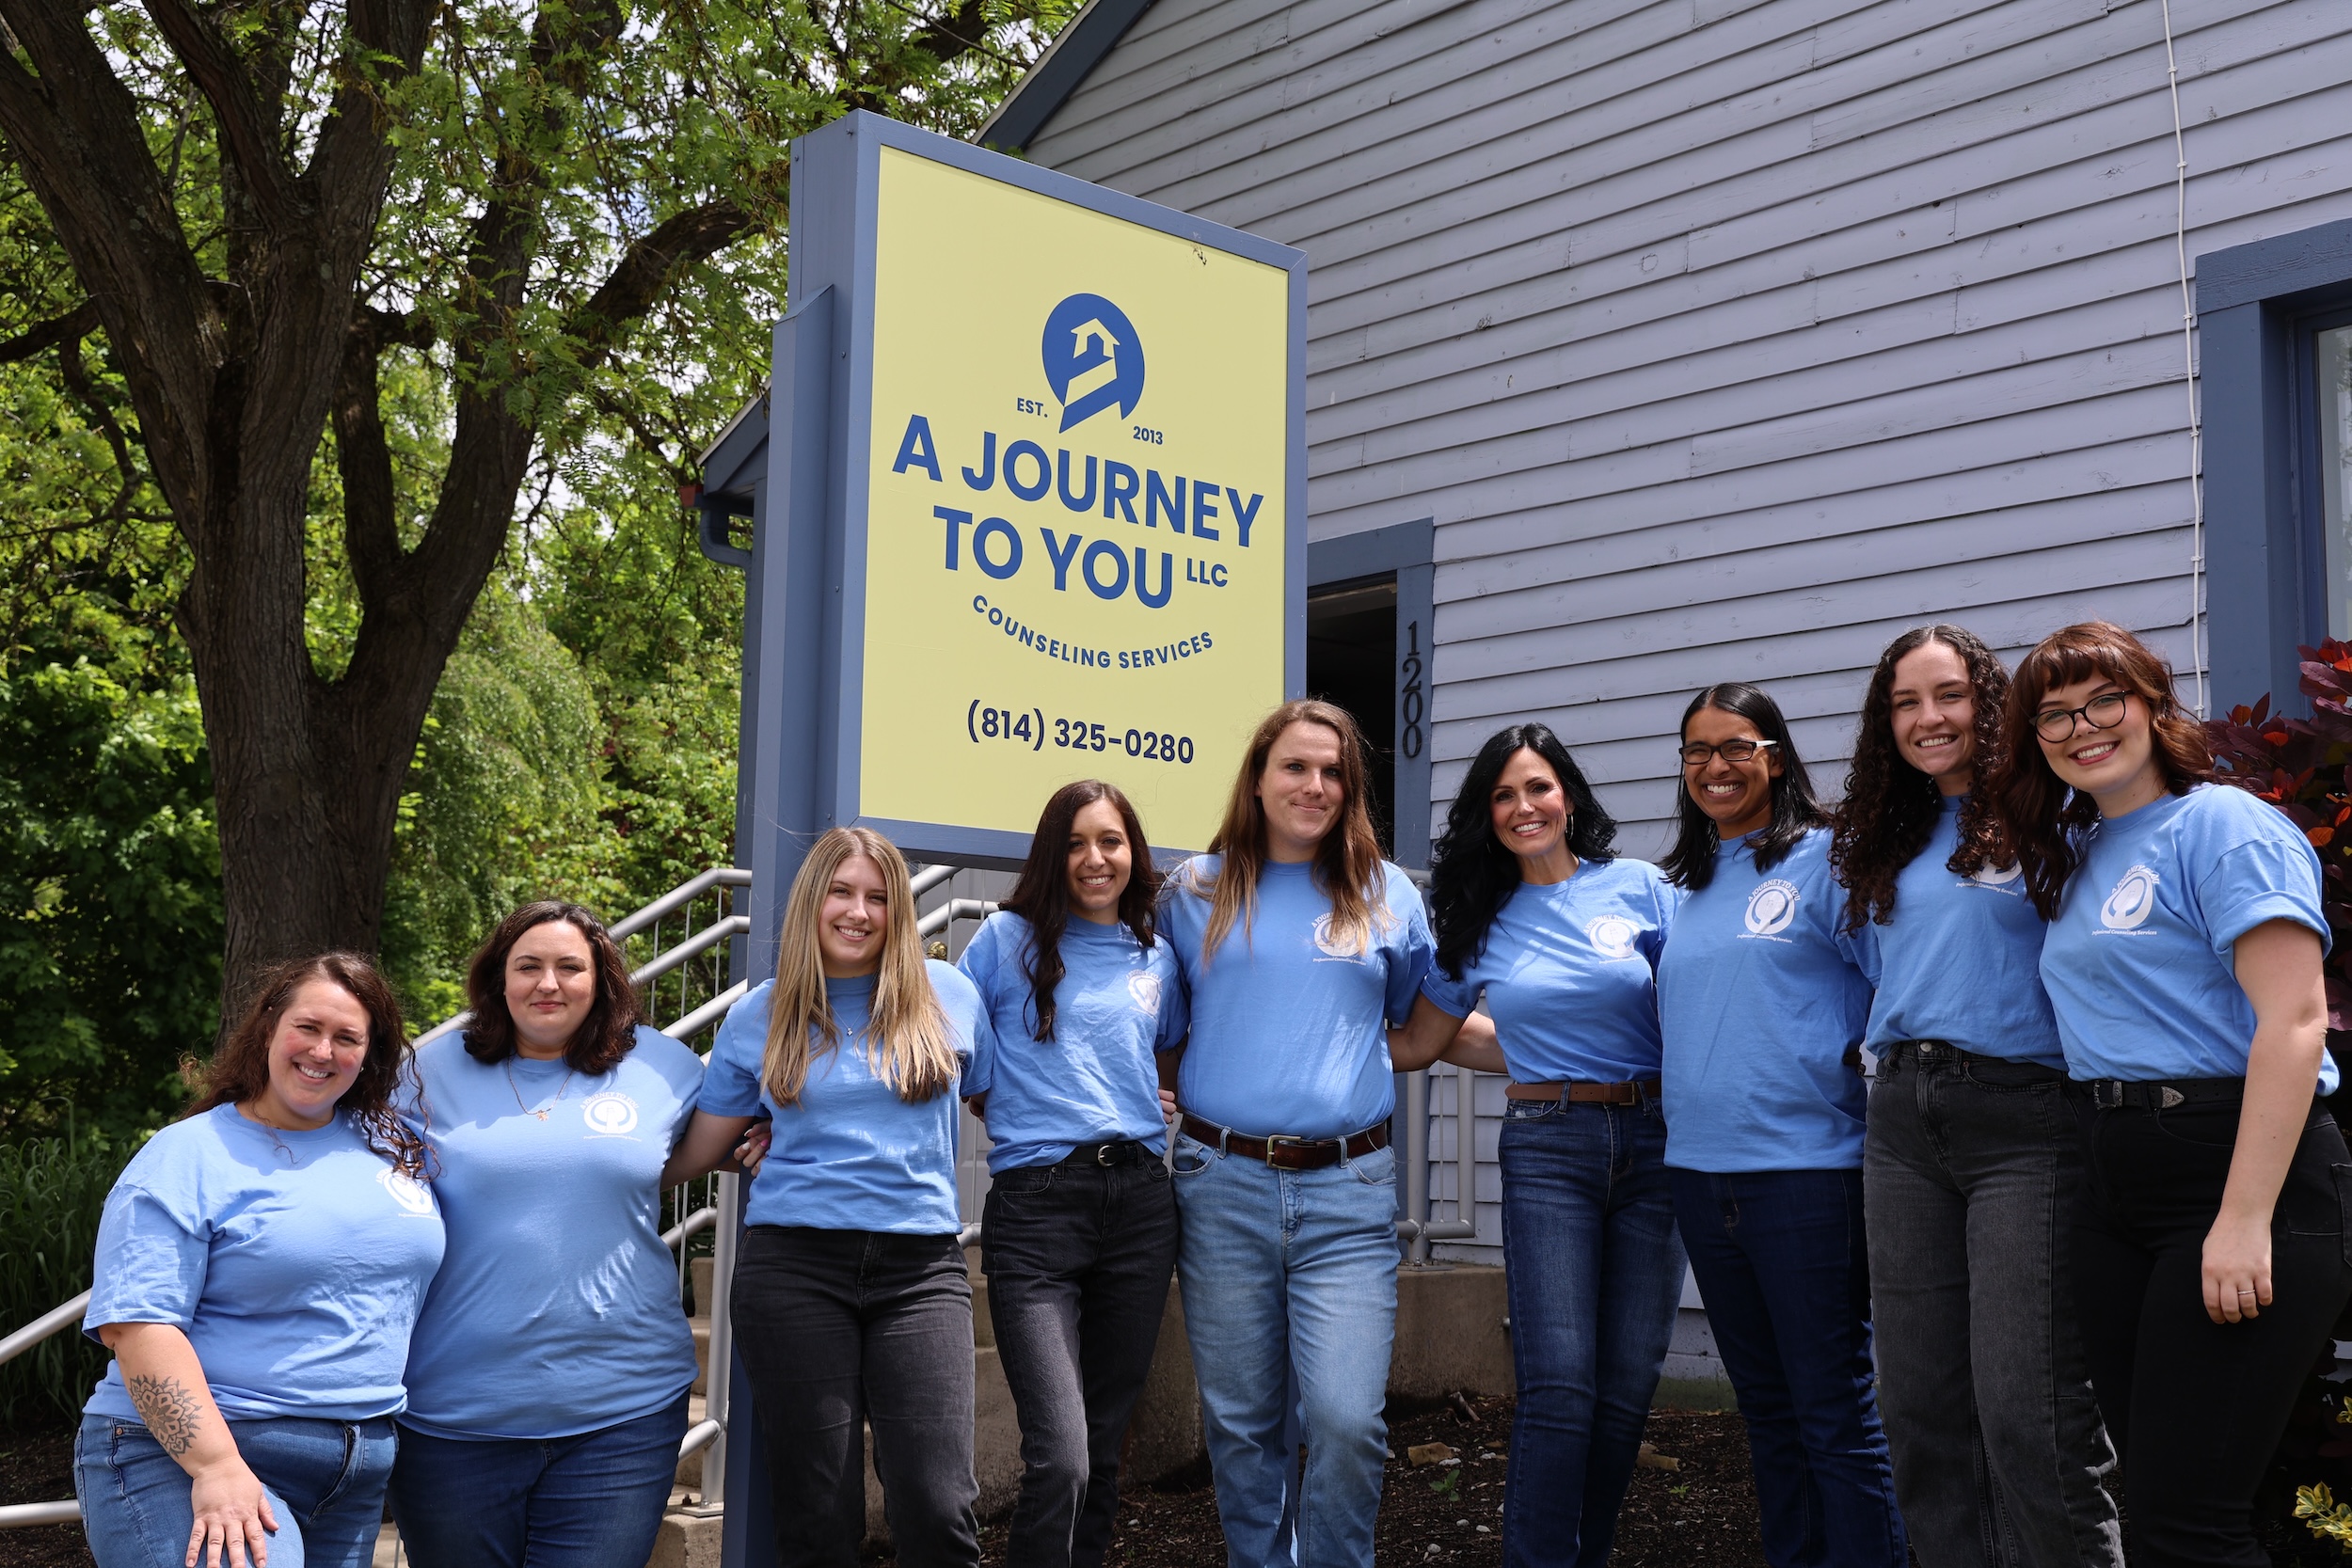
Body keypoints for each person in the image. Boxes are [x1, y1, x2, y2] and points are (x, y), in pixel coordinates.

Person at [1992, 620, 2351, 1568]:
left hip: (2233, 1172)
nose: (2081, 727)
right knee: (2161, 1495)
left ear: (2153, 702)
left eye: (2103, 698)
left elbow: (2295, 1021)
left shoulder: (2222, 824)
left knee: (2186, 1522)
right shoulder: (2073, 849)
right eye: (2053, 714)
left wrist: (2241, 1219)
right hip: (2114, 1186)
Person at [1830, 626, 2122, 1568]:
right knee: (1916, 1405)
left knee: (2027, 1411)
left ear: (1986, 701)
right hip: (1901, 1122)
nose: (1928, 719)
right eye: (1905, 703)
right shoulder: (1888, 834)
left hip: (2024, 1119)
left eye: (1948, 695)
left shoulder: (2052, 817)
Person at [1389, 722, 1685, 1568]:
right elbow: (1427, 1040)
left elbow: (1689, 1007)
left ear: (1570, 796)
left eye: (1539, 788)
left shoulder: (1640, 888)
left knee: (1627, 1387)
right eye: (1504, 794)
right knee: (1560, 1386)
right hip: (1549, 1147)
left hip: (1657, 1142)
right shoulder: (1479, 920)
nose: (1525, 806)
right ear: (1489, 815)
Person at [664, 826, 996, 1568]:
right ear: (813, 900)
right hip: (795, 1272)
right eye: (842, 892)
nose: (859, 910)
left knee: (938, 1504)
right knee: (819, 1516)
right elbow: (699, 1148)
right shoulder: (764, 1012)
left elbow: (998, 1101)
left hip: (921, 1273)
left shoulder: (951, 996)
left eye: (879, 896)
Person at [389, 900, 756, 1568]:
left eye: (569, 966)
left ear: (602, 979)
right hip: (452, 1418)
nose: (548, 982)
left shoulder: (661, 1067)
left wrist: (768, 1138)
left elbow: (727, 1138)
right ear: (499, 978)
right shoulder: (425, 1072)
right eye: (528, 965)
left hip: (622, 1412)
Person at [1158, 697, 1436, 1568]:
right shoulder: (1194, 889)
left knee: (1349, 1420)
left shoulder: (1388, 892)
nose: (1313, 785)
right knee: (1241, 1425)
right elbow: (1164, 1032)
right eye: (1295, 766)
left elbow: (1412, 1026)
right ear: (1258, 777)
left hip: (1347, 1192)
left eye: (1332, 772)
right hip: (1221, 1182)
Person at [76, 953, 445, 1568]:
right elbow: (138, 1325)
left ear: (370, 1051)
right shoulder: (189, 1153)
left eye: (347, 1036)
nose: (323, 1050)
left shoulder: (393, 1146)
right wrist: (215, 1464)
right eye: (308, 1027)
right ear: (270, 1026)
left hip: (352, 1474)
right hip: (192, 1454)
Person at [1654, 683, 1908, 1568]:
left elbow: (1901, 988)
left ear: (1776, 756)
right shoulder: (1687, 885)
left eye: (1736, 747)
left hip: (1808, 1174)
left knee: (1834, 1412)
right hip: (1697, 1174)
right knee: (1765, 1412)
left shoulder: (1831, 861)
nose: (1715, 766)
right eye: (1696, 751)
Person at [956, 780, 1185, 1568]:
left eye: (1112, 842)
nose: (1096, 858)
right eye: (1078, 843)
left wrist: (1142, 1094)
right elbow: (945, 1043)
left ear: (1134, 853)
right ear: (1054, 853)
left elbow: (1169, 1054)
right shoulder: (1002, 938)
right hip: (1038, 1206)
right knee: (1064, 1453)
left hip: (1142, 1204)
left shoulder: (1157, 950)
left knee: (1108, 1447)